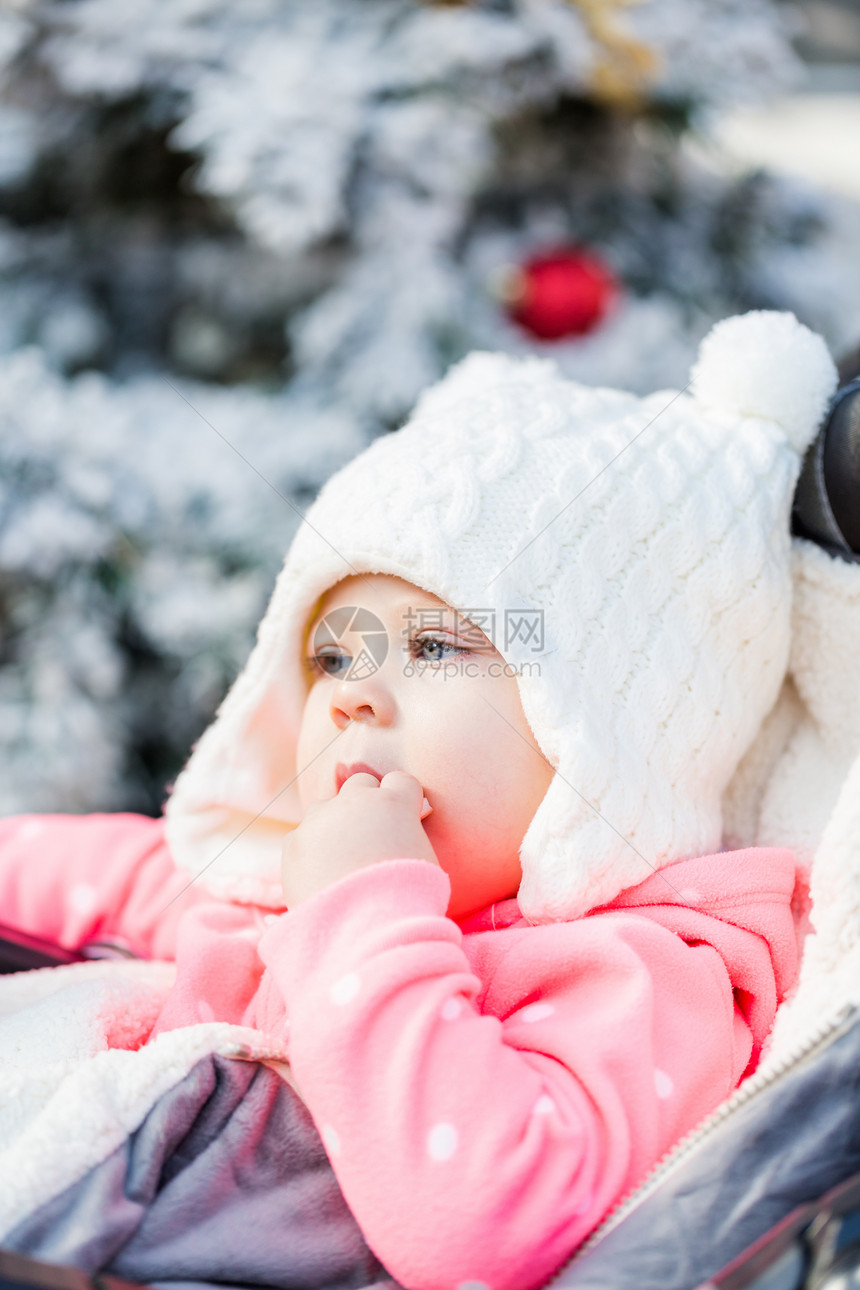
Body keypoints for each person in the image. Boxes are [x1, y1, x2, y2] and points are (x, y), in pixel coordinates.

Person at [0, 310, 852, 1290]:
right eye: (333, 654)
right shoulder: (264, 870)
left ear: (605, 730)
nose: (353, 690)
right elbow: (94, 874)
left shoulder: (634, 973)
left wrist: (361, 911)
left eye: (436, 647)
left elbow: (488, 1226)